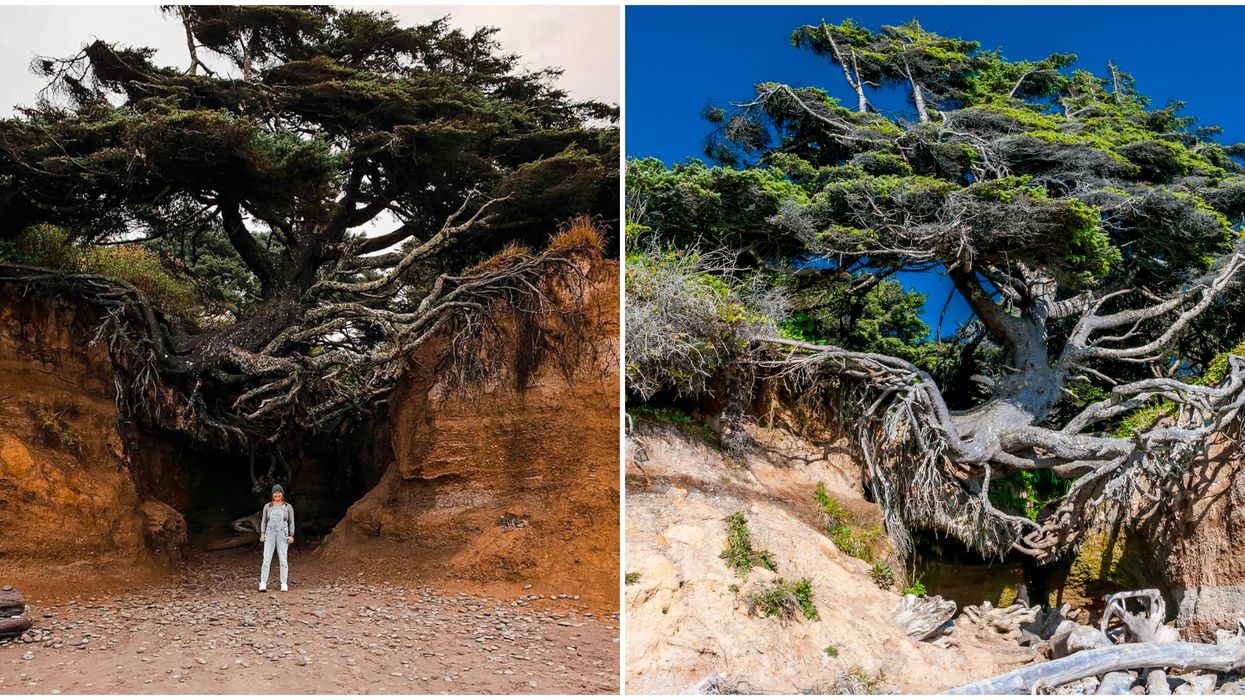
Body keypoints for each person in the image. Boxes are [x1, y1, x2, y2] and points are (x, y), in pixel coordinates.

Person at [258, 484, 295, 592]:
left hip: (282, 534)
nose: (277, 494)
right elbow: (264, 521)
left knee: (283, 560)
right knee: (266, 559)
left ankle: (284, 583)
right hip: (270, 534)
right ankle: (263, 582)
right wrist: (262, 534)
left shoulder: (288, 507)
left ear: (282, 494)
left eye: (279, 492)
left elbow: (291, 521)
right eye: (275, 492)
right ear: (272, 494)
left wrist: (291, 535)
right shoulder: (267, 506)